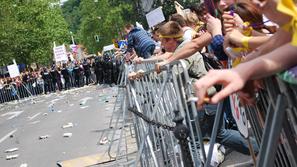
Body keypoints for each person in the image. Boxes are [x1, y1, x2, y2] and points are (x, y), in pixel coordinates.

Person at [158, 21, 258, 155]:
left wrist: (158, 72)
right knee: (220, 134)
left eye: (163, 41)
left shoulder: (184, 51)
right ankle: (263, 148)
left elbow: (174, 73)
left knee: (192, 141)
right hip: (205, 98)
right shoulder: (181, 50)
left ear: (171, 40)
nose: (162, 45)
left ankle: (264, 149)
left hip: (201, 100)